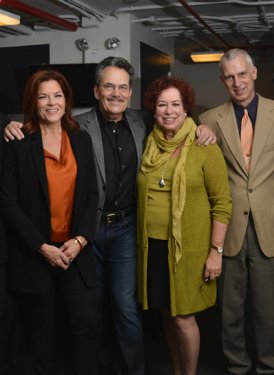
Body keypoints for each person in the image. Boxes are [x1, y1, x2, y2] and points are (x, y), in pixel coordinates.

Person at [3, 56, 217, 375]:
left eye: (122, 87)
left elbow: (175, 120)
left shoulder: (143, 121)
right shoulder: (79, 127)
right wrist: (11, 124)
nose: (116, 93)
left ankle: (133, 370)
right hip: (87, 230)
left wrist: (202, 127)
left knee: (126, 308)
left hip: (125, 229)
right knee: (93, 311)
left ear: (130, 92)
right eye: (108, 86)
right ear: (96, 90)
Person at [0, 69, 98, 375]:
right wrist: (42, 247)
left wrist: (81, 240)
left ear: (67, 100)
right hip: (36, 254)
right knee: (41, 336)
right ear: (33, 101)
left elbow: (92, 196)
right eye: (43, 96)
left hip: (74, 252)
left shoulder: (81, 139)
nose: (51, 102)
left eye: (58, 95)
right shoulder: (18, 141)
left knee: (84, 327)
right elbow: (8, 202)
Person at [137, 76, 232, 375]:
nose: (168, 110)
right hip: (153, 246)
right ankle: (178, 370)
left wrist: (215, 250)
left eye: (175, 104)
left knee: (183, 318)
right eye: (162, 104)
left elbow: (222, 203)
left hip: (189, 249)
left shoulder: (204, 144)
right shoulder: (149, 142)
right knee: (167, 313)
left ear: (186, 108)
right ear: (154, 109)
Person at [199, 48, 274, 375]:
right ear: (222, 80)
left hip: (268, 228)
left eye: (242, 74)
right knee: (229, 311)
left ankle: (268, 366)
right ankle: (238, 367)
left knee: (267, 311)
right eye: (230, 77)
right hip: (227, 229)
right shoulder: (208, 120)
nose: (237, 82)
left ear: (254, 73)